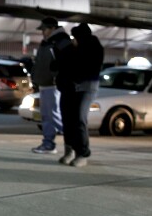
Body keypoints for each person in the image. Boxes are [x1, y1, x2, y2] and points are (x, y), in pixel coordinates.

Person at [56, 23, 104, 168]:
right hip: (70, 87)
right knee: (68, 119)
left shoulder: (93, 48)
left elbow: (83, 66)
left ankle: (82, 153)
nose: (73, 39)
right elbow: (63, 65)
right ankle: (69, 151)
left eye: (75, 37)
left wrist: (70, 52)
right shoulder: (74, 49)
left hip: (86, 87)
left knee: (79, 118)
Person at [30, 17, 70, 155]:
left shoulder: (61, 41)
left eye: (45, 29)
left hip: (53, 85)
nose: (43, 32)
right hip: (44, 83)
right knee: (46, 116)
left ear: (52, 28)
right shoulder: (47, 42)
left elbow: (65, 63)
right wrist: (35, 78)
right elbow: (40, 62)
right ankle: (48, 143)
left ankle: (74, 139)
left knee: (54, 115)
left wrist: (56, 76)